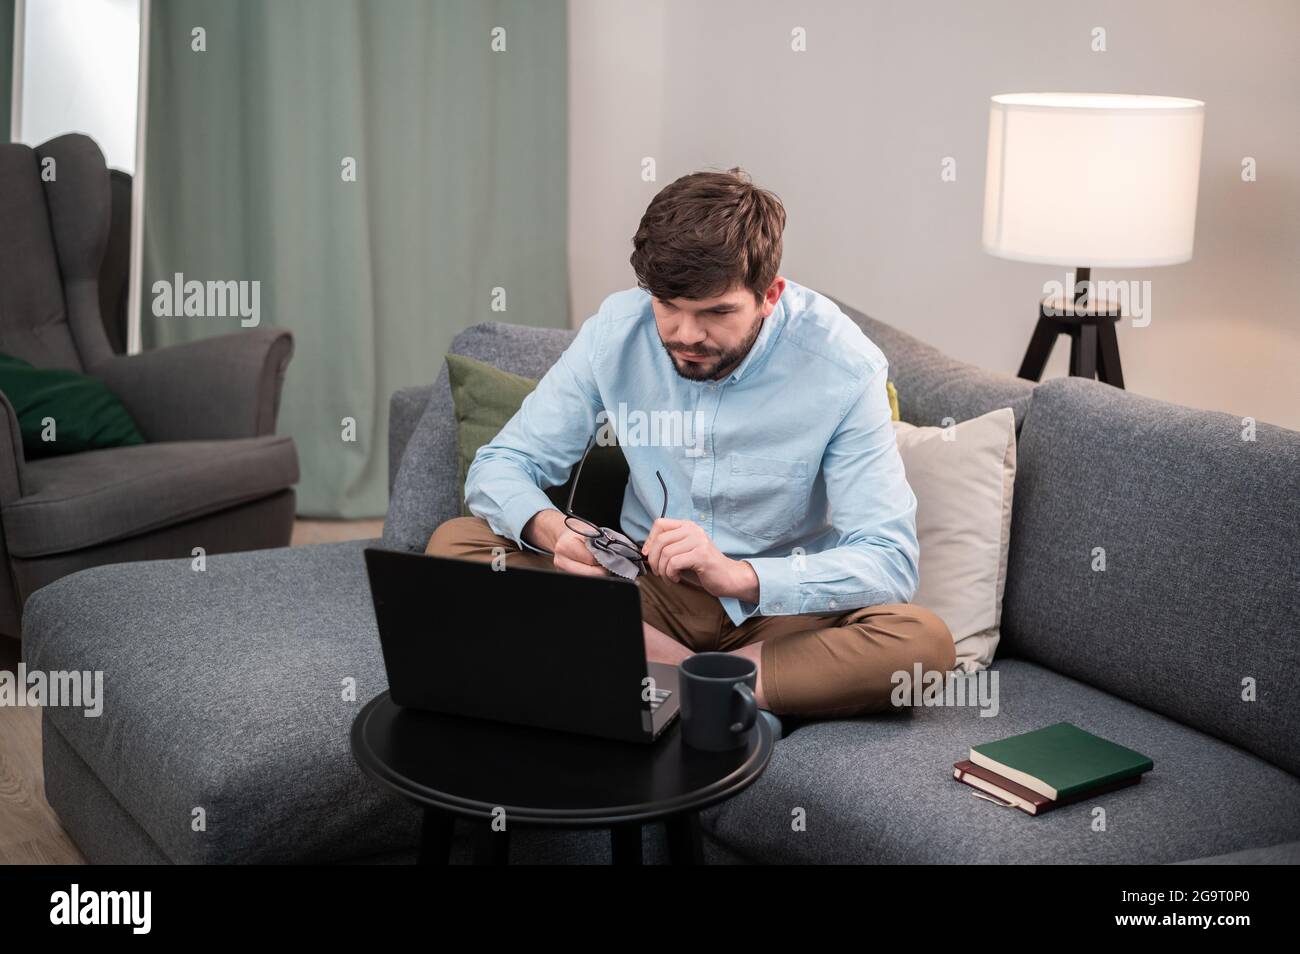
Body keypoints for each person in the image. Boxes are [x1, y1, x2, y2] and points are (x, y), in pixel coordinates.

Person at [427, 168, 953, 720]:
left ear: (769, 295)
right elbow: (503, 465)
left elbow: (888, 560)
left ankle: (658, 681)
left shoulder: (842, 366)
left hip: (778, 611)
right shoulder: (616, 333)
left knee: (924, 643)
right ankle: (716, 692)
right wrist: (555, 532)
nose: (685, 334)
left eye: (716, 312)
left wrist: (740, 577)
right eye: (668, 305)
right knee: (457, 546)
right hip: (646, 593)